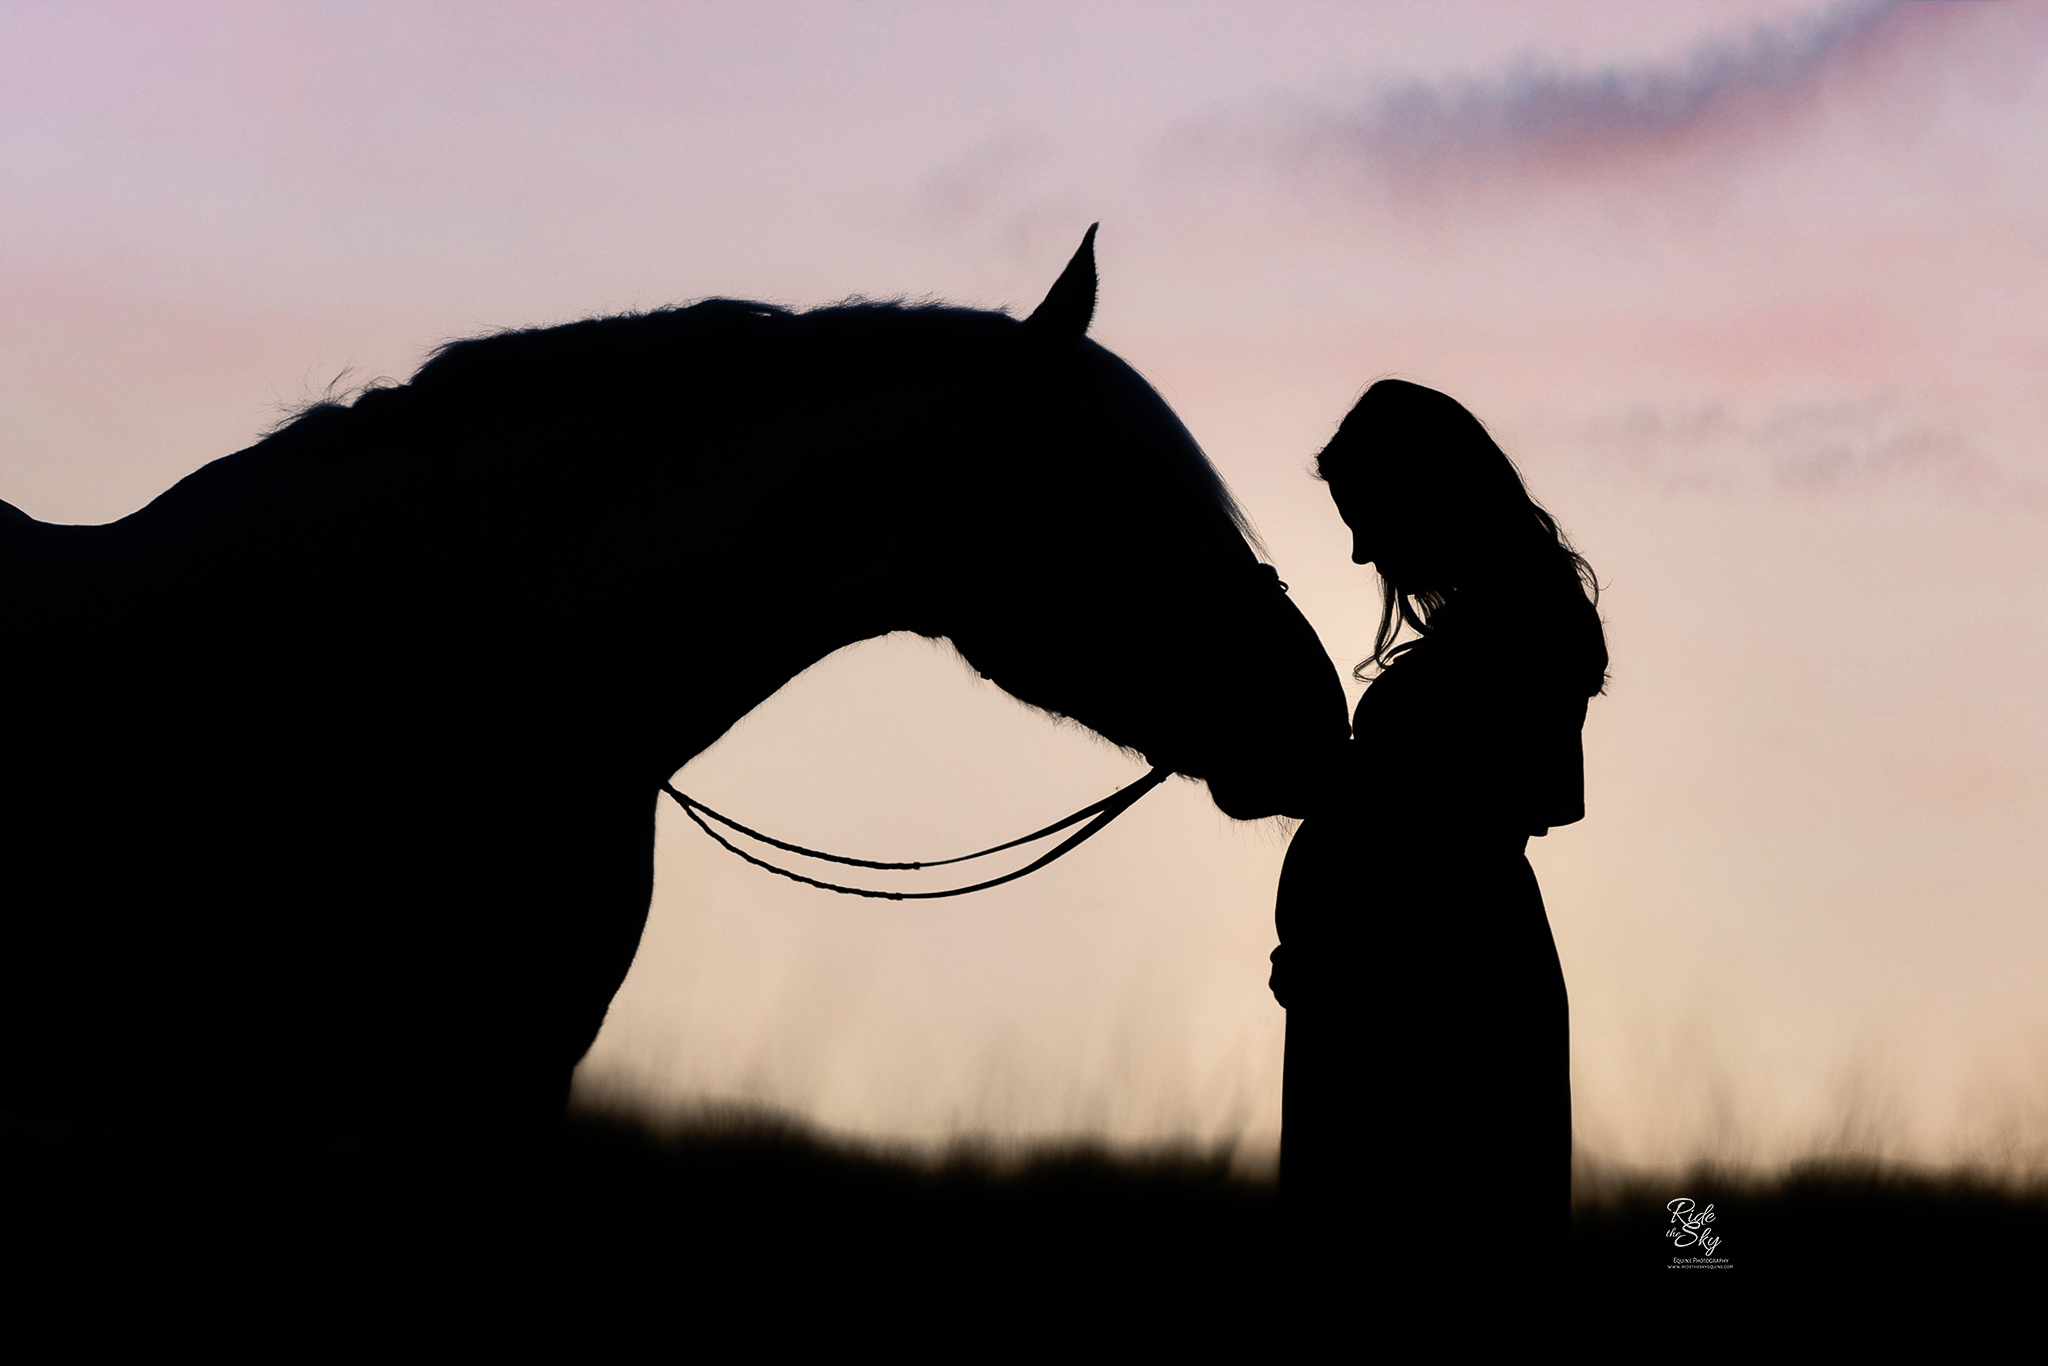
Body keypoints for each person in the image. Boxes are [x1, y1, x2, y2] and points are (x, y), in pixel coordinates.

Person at [1270, 379, 1607, 1286]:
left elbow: (1461, 830)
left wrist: (1331, 787)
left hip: (1433, 1019)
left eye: (1367, 516)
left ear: (1426, 499)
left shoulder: (1512, 648)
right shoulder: (1501, 641)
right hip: (1393, 1004)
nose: (1358, 550)